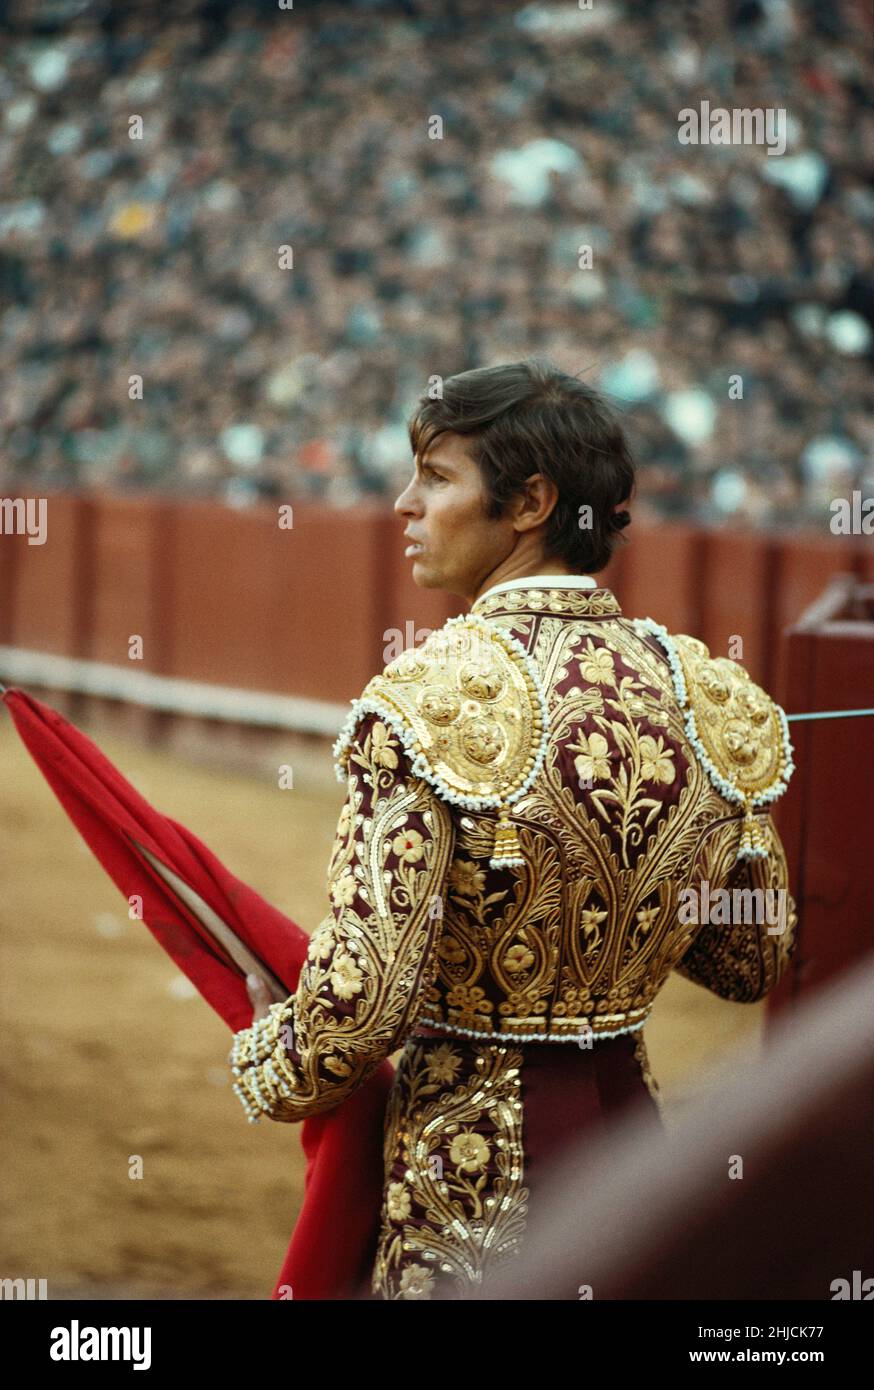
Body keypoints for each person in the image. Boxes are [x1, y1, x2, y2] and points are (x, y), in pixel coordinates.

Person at [229, 359, 797, 1301]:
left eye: (438, 477)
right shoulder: (704, 694)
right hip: (627, 1148)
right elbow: (748, 959)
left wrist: (265, 1052)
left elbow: (360, 1008)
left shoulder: (427, 698)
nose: (405, 503)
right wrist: (628, 890)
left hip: (469, 1172)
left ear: (531, 501)